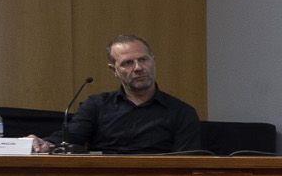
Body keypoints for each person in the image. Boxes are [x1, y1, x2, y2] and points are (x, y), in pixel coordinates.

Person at [35, 35, 201, 153]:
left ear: (153, 60)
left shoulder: (181, 112)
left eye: (143, 60)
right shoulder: (97, 106)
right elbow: (70, 138)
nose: (138, 68)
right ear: (114, 70)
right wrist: (44, 143)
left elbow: (186, 162)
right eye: (128, 63)